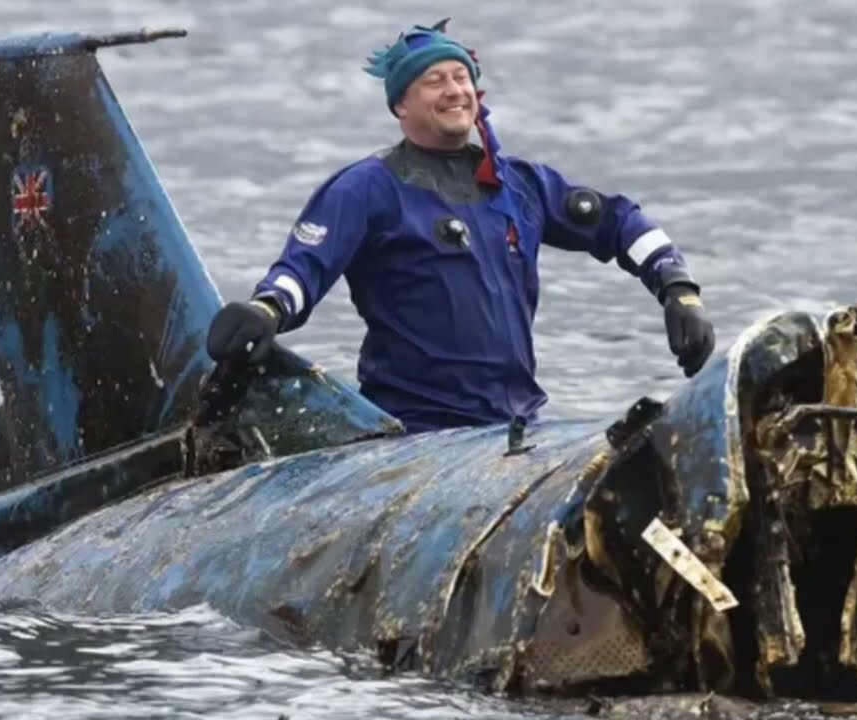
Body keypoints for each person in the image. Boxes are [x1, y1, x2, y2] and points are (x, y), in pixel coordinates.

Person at [205, 19, 715, 433]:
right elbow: (304, 268)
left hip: (519, 425)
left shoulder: (519, 185)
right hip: (416, 431)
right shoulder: (365, 189)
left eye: (461, 77)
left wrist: (679, 289)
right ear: (401, 105)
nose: (454, 91)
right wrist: (267, 308)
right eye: (435, 81)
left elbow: (621, 222)